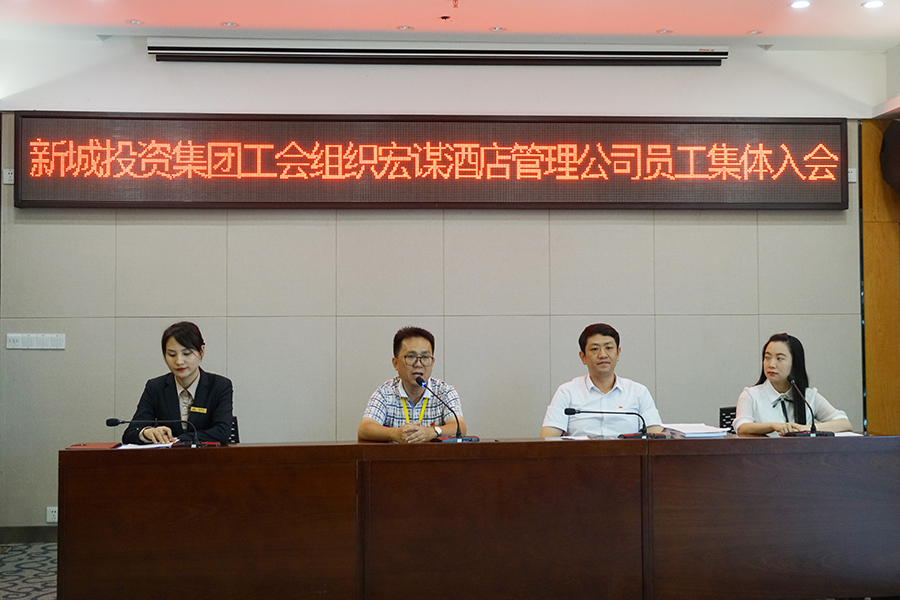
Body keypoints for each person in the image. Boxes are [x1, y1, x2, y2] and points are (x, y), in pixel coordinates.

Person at [541, 323, 663, 438]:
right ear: (583, 357)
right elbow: (547, 439)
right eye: (595, 349)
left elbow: (656, 437)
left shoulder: (638, 392)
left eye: (609, 348)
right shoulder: (567, 392)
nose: (603, 355)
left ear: (618, 353)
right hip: (581, 453)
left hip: (627, 454)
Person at [123, 322, 234, 445]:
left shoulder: (220, 386)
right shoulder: (155, 387)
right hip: (166, 457)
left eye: (186, 353)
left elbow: (222, 432)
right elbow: (130, 433)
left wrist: (178, 440)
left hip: (207, 456)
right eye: (171, 354)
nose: (179, 361)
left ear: (201, 351)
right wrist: (146, 433)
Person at [358, 326, 465, 443]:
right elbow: (365, 429)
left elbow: (459, 427)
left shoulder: (444, 392)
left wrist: (432, 432)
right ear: (395, 363)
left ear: (432, 363)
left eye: (425, 357)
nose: (418, 364)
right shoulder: (385, 393)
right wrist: (395, 433)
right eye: (411, 357)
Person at [734, 333, 851, 436]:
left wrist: (808, 428)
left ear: (795, 363)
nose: (771, 364)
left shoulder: (808, 396)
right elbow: (742, 427)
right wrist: (773, 426)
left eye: (779, 358)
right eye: (767, 357)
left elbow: (844, 423)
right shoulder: (751, 395)